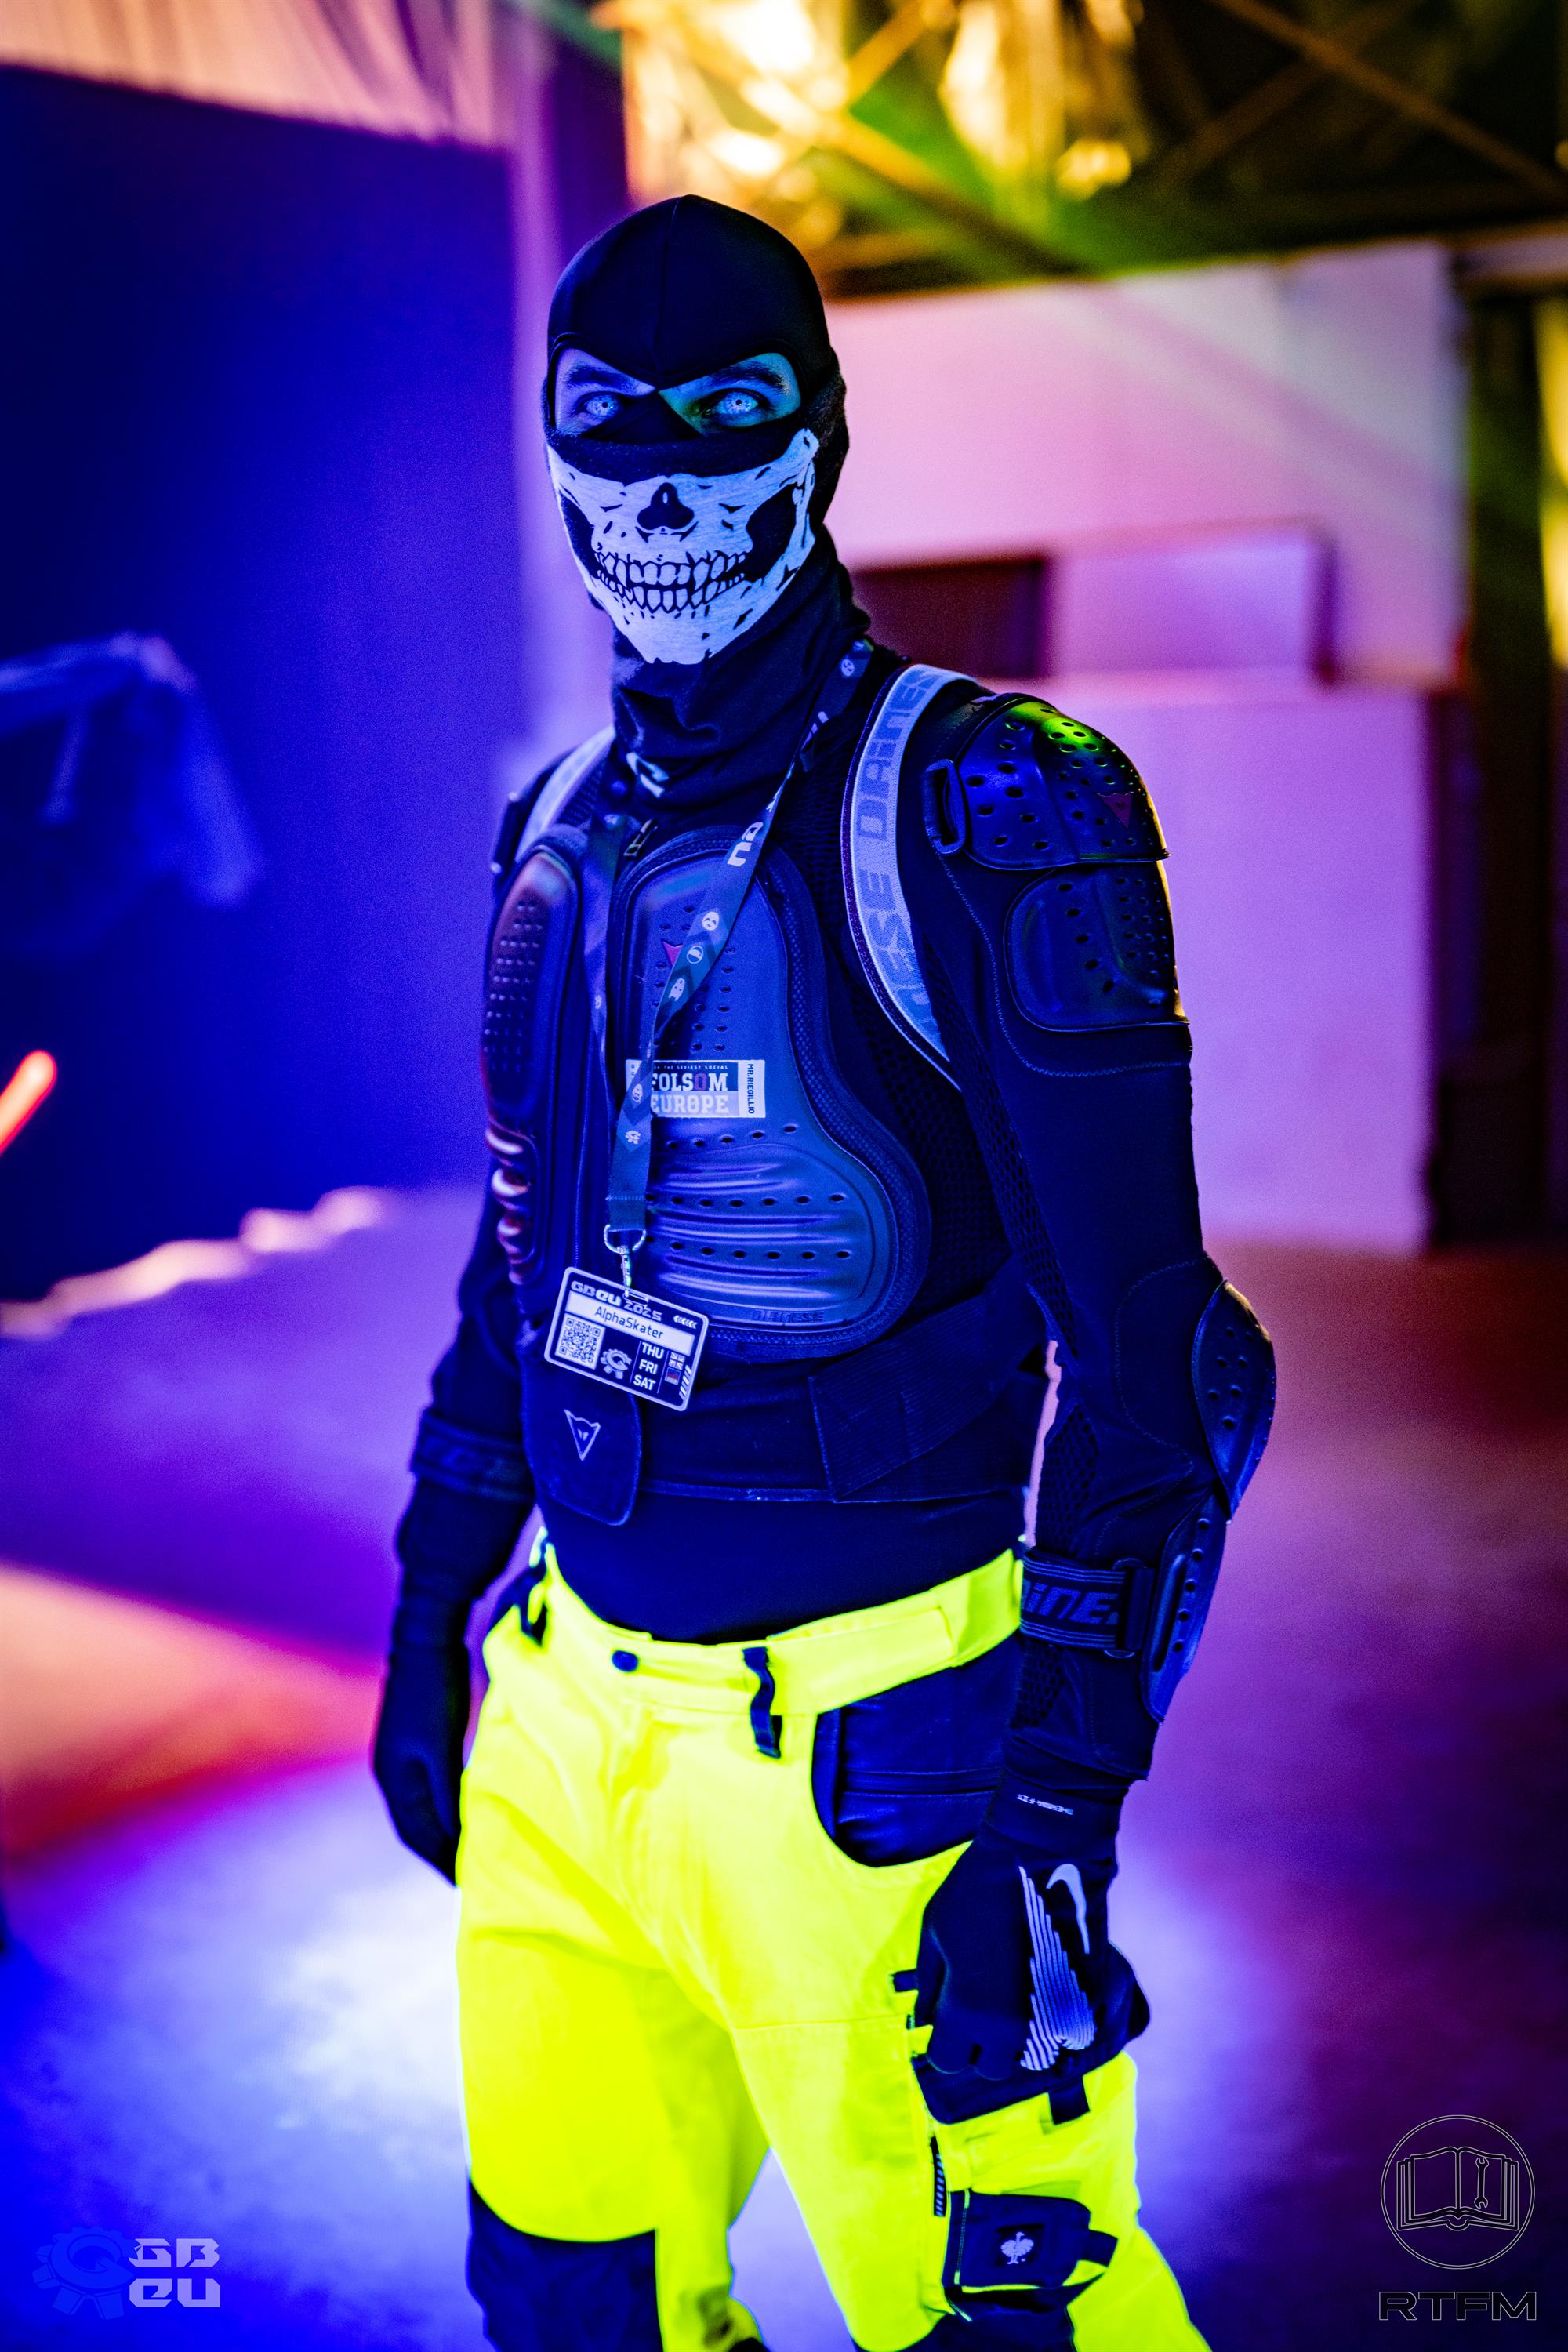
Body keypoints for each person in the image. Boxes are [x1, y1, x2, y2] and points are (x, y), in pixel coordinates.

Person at [373, 195, 1273, 2352]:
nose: (666, 484)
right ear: (553, 451)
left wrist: (1052, 1818)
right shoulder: (557, 817)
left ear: (824, 432)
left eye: (730, 415)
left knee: (1010, 2330)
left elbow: (1168, 1372)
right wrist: (431, 1594)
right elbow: (524, 1251)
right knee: (571, 2304)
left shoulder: (992, 807)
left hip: (886, 1757)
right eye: (613, 421)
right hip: (564, 1717)